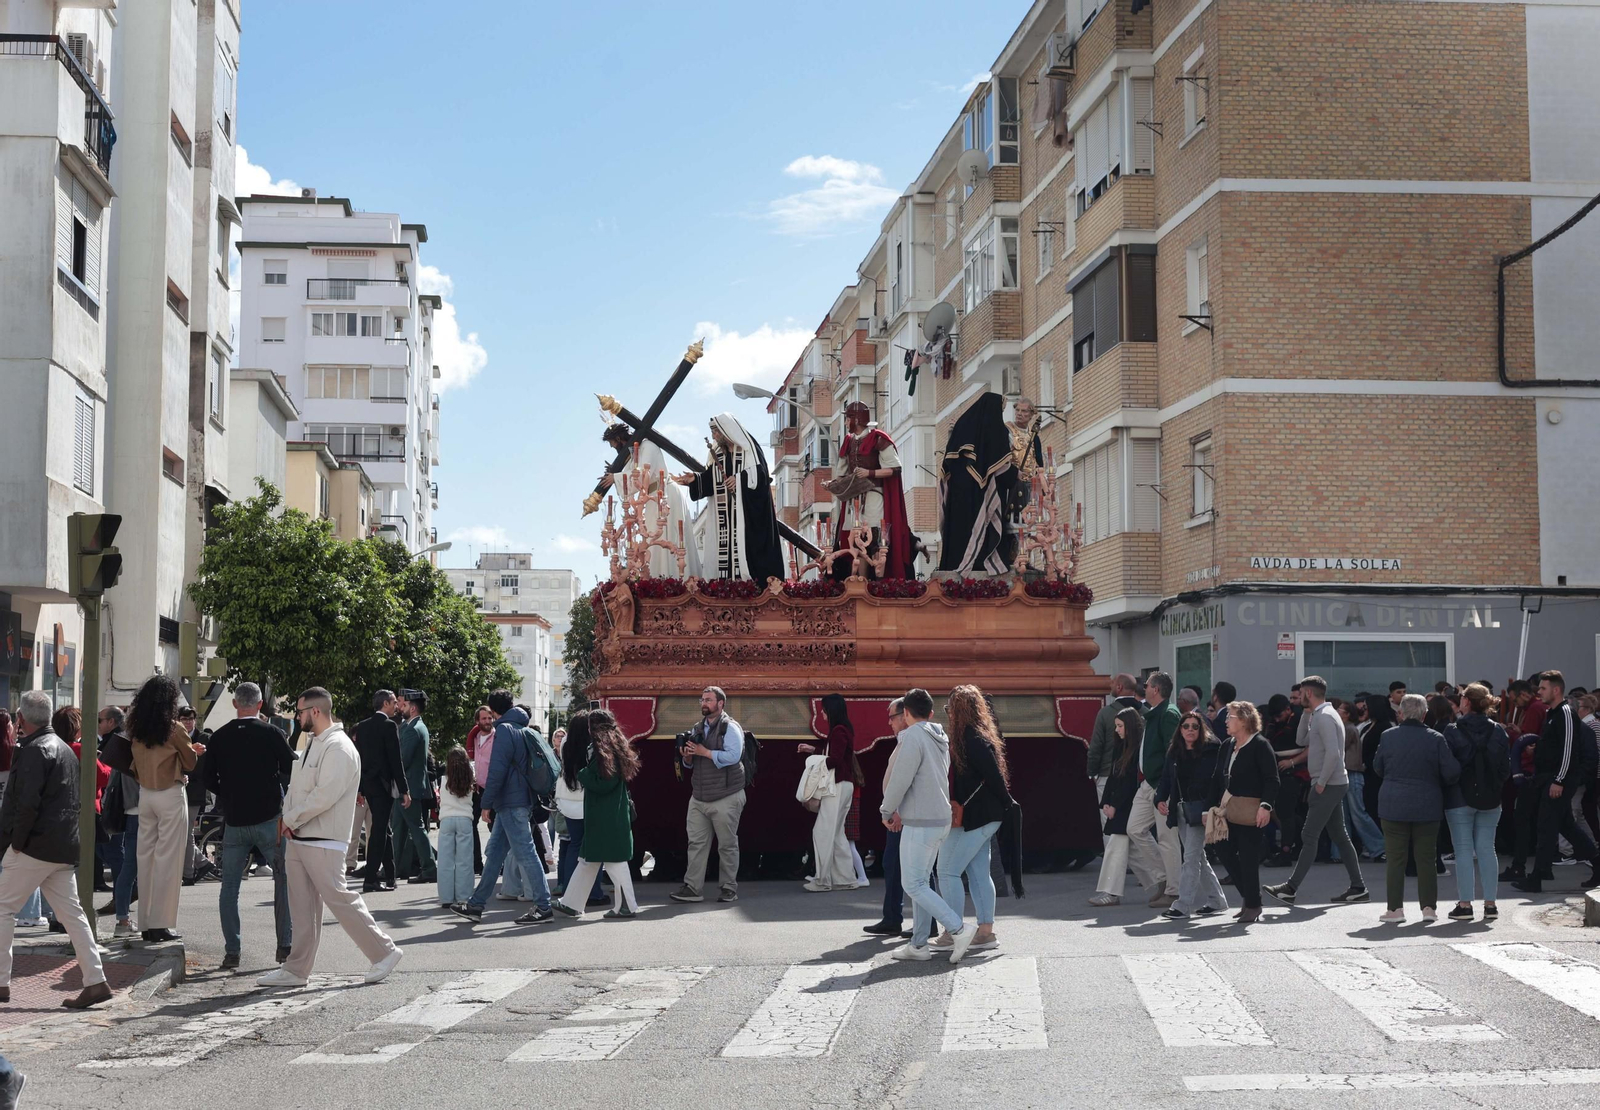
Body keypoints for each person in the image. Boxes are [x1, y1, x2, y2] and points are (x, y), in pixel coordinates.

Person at [259, 687, 402, 987]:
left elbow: (325, 795)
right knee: (302, 908)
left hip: (322, 838)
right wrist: (288, 819)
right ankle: (297, 969)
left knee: (341, 899)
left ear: (315, 711)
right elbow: (297, 787)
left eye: (299, 712)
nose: (296, 717)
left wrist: (291, 818)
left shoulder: (338, 746)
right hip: (301, 836)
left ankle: (385, 951)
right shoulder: (313, 742)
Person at [0, 690, 110, 1008]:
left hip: (35, 846)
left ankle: (2, 982)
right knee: (73, 915)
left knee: (3, 909)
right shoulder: (63, 748)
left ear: (21, 719)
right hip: (62, 846)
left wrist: (15, 844)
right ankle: (96, 980)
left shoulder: (34, 750)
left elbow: (26, 803)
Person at [204, 682, 296, 970]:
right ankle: (284, 946)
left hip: (234, 820)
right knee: (282, 881)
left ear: (234, 704)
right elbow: (290, 767)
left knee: (229, 887)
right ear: (259, 705)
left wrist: (229, 793)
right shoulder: (272, 733)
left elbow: (207, 778)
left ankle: (232, 951)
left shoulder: (219, 737)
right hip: (269, 817)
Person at [882, 688, 973, 963]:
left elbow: (901, 779)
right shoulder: (939, 736)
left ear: (906, 713)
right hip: (939, 819)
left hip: (920, 821)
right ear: (931, 713)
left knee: (913, 884)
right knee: (920, 882)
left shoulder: (912, 737)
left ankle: (958, 928)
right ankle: (919, 944)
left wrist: (887, 809)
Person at [449, 691, 555, 925]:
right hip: (518, 799)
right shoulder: (519, 727)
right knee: (495, 853)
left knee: (526, 853)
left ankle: (543, 906)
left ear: (494, 711)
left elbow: (497, 771)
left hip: (510, 802)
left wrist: (486, 804)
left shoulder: (504, 730)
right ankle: (476, 905)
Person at [1264, 677, 1368, 906]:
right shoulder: (1320, 715)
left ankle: (1290, 888)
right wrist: (1306, 713)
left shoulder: (1326, 717)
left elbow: (1332, 753)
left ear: (1308, 693)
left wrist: (1320, 783)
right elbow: (1302, 740)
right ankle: (1358, 887)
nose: (1297, 698)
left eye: (1301, 694)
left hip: (1328, 784)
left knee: (1309, 836)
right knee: (1340, 836)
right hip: (1331, 782)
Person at [931, 685, 1013, 952]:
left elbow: (993, 776)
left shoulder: (969, 738)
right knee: (978, 872)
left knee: (947, 871)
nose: (948, 714)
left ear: (958, 711)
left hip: (976, 816)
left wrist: (1006, 802)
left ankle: (954, 932)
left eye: (949, 709)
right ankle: (985, 932)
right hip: (984, 815)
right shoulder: (979, 735)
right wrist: (1006, 805)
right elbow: (994, 776)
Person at [1374, 693, 1460, 923]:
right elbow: (1451, 772)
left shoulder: (1388, 736)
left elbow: (1378, 767)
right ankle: (1429, 909)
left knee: (1395, 859)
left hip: (1393, 803)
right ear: (1424, 714)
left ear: (1400, 713)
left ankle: (1395, 910)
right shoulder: (1436, 738)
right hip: (1427, 804)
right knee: (1427, 859)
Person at [127, 675, 199, 943]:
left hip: (145, 795)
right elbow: (189, 762)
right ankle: (161, 924)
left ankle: (146, 923)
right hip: (170, 792)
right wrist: (194, 750)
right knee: (169, 860)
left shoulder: (136, 728)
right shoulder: (174, 728)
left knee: (145, 858)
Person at [1513, 670, 1599, 893]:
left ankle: (1537, 877)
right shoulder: (1552, 713)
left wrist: (1559, 780)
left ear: (1556, 689)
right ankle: (1598, 865)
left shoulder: (1566, 713)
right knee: (1565, 827)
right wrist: (1538, 750)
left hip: (1558, 781)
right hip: (1549, 779)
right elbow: (1556, 746)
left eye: (1542, 688)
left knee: (1546, 827)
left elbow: (1569, 749)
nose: (1538, 692)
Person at [673, 414, 784, 584]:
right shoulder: (719, 456)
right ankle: (726, 585)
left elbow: (760, 476)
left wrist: (739, 479)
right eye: (712, 432)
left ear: (727, 430)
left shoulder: (748, 451)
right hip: (725, 520)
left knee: (750, 555)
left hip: (748, 519)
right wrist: (694, 479)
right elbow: (710, 481)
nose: (714, 437)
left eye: (716, 432)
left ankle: (752, 585)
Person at [553, 709, 641, 920]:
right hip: (607, 816)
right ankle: (571, 904)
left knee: (611, 862)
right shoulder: (612, 747)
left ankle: (627, 905)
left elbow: (603, 783)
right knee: (588, 860)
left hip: (605, 817)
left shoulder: (604, 750)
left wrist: (583, 773)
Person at [669, 687, 747, 905]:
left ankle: (729, 888)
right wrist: (689, 757)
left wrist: (704, 752)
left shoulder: (729, 727)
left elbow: (734, 755)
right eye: (702, 699)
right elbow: (690, 764)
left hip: (726, 795)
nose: (704, 703)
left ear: (720, 704)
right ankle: (693, 888)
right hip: (699, 796)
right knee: (696, 844)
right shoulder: (697, 728)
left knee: (727, 845)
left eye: (708, 700)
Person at [1443, 683, 1512, 921]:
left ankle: (1465, 905)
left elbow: (1448, 767)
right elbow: (1506, 766)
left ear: (1467, 702)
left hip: (1459, 796)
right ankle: (1490, 904)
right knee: (1486, 848)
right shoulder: (1499, 730)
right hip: (1491, 795)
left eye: (1462, 697)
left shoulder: (1451, 730)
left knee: (1462, 851)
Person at [600, 422, 703, 579]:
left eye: (613, 444)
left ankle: (677, 581)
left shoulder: (648, 446)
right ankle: (658, 583)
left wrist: (616, 477)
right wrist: (616, 475)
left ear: (620, 438)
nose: (614, 448)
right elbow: (632, 481)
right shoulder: (633, 453)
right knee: (652, 543)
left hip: (665, 495)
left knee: (667, 540)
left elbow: (641, 474)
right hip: (651, 499)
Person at [828, 401, 915, 580]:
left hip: (875, 496)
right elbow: (841, 472)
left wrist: (870, 472)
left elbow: (895, 468)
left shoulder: (879, 439)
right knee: (855, 541)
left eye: (848, 419)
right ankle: (860, 582)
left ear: (857, 419)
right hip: (854, 499)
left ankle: (878, 581)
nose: (845, 423)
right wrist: (832, 484)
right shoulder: (848, 441)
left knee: (875, 540)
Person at [1154, 711, 1228, 919]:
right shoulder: (1175, 751)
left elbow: (1215, 783)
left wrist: (1209, 807)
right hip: (1181, 809)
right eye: (1186, 726)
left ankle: (1182, 905)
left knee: (1191, 858)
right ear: (1180, 729)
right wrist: (1160, 798)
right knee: (1197, 857)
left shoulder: (1210, 750)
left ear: (1201, 729)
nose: (1190, 730)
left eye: (1195, 727)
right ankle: (1217, 900)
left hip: (1200, 810)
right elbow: (1166, 778)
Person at [936, 392, 1018, 576]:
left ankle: (953, 562)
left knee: (958, 532)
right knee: (977, 529)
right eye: (1001, 410)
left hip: (957, 494)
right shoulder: (994, 429)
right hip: (977, 493)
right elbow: (1000, 468)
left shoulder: (963, 425)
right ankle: (978, 564)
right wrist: (1017, 474)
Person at [1212, 701, 1277, 924]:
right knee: (1223, 850)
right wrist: (1210, 808)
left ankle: (1252, 904)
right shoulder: (1227, 745)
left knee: (1248, 858)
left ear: (1244, 720)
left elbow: (1272, 779)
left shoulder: (1260, 745)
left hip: (1251, 810)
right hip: (1228, 809)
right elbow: (1218, 779)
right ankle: (1250, 897)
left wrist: (1266, 806)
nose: (1226, 721)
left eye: (1230, 717)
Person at [863, 698, 918, 937]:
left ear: (905, 715)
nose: (889, 722)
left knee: (916, 870)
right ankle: (892, 917)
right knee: (894, 866)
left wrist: (896, 810)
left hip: (904, 814)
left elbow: (906, 780)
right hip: (900, 813)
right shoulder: (905, 740)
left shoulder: (912, 740)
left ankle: (928, 922)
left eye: (892, 716)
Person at [1129, 672, 1182, 908]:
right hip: (1148, 783)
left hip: (1162, 784)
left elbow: (1174, 753)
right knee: (1135, 829)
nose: (1144, 688)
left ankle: (1174, 890)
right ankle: (1164, 878)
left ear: (1156, 690)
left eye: (1147, 685)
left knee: (1167, 839)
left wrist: (1165, 787)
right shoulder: (1154, 714)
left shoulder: (1168, 714)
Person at [797, 694, 856, 891]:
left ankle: (822, 880)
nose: (821, 712)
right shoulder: (844, 729)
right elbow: (836, 755)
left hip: (836, 786)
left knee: (822, 831)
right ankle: (845, 879)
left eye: (823, 709)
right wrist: (814, 750)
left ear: (831, 710)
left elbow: (834, 760)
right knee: (838, 834)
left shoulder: (838, 730)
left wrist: (813, 760)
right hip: (845, 784)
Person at [1089, 708, 1144, 907]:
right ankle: (1163, 882)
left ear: (1129, 726)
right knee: (1135, 851)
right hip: (1121, 805)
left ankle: (1111, 893)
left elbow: (1128, 783)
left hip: (1128, 805)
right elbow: (1113, 777)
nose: (1117, 730)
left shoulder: (1137, 748)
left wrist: (1114, 806)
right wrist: (1105, 802)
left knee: (1116, 847)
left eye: (1120, 726)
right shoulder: (1121, 746)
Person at [353, 690, 406, 894]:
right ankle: (371, 878)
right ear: (385, 704)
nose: (396, 706)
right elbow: (395, 761)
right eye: (394, 702)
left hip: (368, 785)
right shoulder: (389, 725)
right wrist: (404, 790)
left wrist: (359, 788)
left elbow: (359, 760)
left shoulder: (363, 726)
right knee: (379, 831)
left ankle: (390, 875)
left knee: (384, 829)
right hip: (384, 787)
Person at [553, 725, 605, 907]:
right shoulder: (593, 743)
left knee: (573, 845)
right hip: (587, 799)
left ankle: (570, 892)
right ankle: (594, 893)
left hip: (567, 799)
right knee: (593, 849)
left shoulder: (566, 742)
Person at [1086, 674, 1143, 838]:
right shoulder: (1146, 713)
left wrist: (1092, 772)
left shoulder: (1105, 713)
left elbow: (1096, 746)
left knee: (1110, 826)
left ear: (1119, 687)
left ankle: (1115, 863)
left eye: (1112, 683)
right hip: (1139, 778)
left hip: (1108, 775)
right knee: (1135, 824)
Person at [391, 690, 437, 885]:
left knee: (416, 829)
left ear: (413, 707)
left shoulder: (413, 729)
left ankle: (429, 868)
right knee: (399, 829)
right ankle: (396, 868)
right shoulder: (413, 726)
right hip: (408, 787)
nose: (400, 706)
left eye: (403, 704)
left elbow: (403, 760)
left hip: (407, 788)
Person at [178, 706, 217, 886]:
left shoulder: (204, 739)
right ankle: (201, 863)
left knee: (185, 834)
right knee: (183, 834)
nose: (188, 722)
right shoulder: (176, 737)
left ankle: (189, 873)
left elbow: (201, 768)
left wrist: (185, 774)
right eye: (184, 719)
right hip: (178, 790)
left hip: (194, 792)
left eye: (191, 718)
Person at [435, 746, 476, 908]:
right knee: (464, 861)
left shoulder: (444, 780)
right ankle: (463, 897)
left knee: (445, 861)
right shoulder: (470, 779)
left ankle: (446, 898)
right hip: (465, 819)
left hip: (446, 819)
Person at [465, 704, 495, 874]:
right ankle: (477, 864)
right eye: (484, 718)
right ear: (478, 721)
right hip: (477, 789)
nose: (487, 721)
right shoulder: (474, 738)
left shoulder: (497, 737)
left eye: (489, 718)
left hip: (493, 788)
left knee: (495, 828)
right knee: (471, 824)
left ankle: (496, 865)